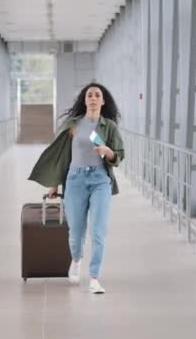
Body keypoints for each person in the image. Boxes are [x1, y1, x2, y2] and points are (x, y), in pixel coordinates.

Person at [28, 82, 124, 294]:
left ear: (102, 101)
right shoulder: (73, 125)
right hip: (75, 179)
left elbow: (119, 155)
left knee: (98, 231)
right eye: (89, 95)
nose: (92, 98)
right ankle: (76, 259)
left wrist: (108, 152)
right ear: (85, 100)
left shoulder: (109, 127)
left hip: (100, 179)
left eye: (97, 95)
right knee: (76, 231)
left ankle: (95, 277)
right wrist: (54, 183)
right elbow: (61, 155)